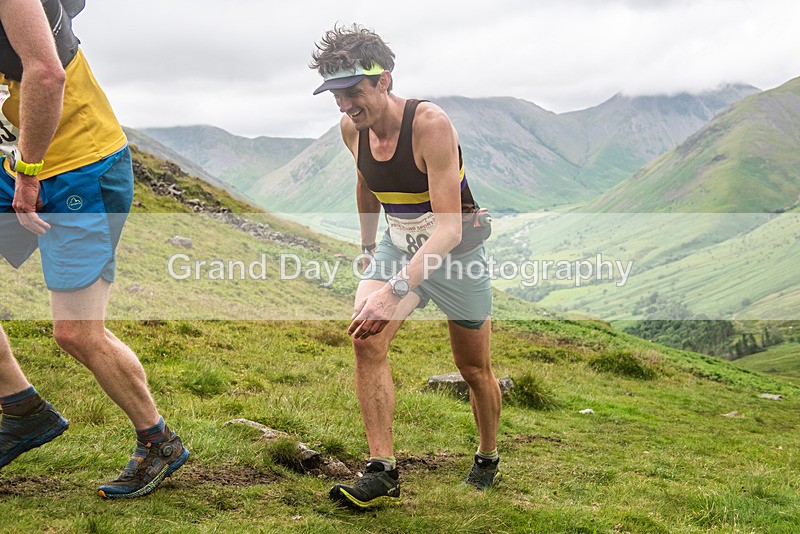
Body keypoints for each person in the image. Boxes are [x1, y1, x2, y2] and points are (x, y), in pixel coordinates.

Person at [0, 0, 188, 498]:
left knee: (77, 333)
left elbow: (47, 74)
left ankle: (159, 442)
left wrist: (30, 174)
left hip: (80, 169)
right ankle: (22, 409)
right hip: (18, 161)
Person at [310, 24, 502, 509]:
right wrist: (368, 245)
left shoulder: (430, 125)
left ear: (384, 80)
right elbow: (365, 181)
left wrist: (393, 289)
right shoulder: (351, 128)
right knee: (366, 337)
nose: (345, 105)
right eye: (336, 95)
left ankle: (487, 456)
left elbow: (448, 230)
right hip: (397, 245)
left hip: (455, 255)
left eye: (354, 92)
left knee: (473, 367)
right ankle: (382, 470)